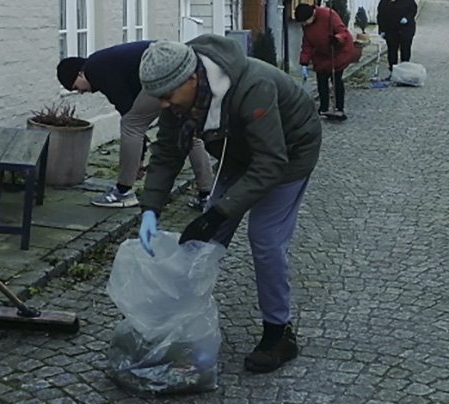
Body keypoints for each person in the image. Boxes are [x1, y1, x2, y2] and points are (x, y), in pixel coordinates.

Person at [135, 37, 322, 372]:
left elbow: (270, 163)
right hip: (238, 152)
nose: (163, 104)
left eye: (166, 96)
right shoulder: (178, 96)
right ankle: (181, 325)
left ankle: (279, 333)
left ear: (191, 79)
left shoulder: (254, 87)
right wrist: (151, 208)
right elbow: (166, 151)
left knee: (265, 239)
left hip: (290, 152)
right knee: (205, 238)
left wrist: (221, 211)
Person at [57, 41, 216, 209]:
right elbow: (133, 102)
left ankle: (123, 191)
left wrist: (138, 159)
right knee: (186, 131)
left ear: (80, 73)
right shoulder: (106, 63)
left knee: (130, 125)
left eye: (76, 87)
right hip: (181, 70)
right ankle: (207, 194)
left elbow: (127, 111)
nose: (81, 92)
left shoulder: (94, 69)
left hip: (163, 73)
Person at [294, 2, 359, 119]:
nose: (304, 24)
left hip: (338, 52)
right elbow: (307, 44)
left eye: (305, 21)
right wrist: (304, 62)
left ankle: (339, 108)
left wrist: (336, 39)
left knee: (336, 79)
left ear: (312, 15)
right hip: (321, 54)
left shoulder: (328, 15)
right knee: (321, 79)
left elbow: (342, 32)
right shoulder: (307, 26)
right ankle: (323, 108)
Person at [377, 0, 418, 71]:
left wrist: (407, 18)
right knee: (392, 49)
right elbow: (380, 16)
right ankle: (393, 69)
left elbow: (413, 9)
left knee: (405, 48)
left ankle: (404, 69)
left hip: (406, 28)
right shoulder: (384, 2)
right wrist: (382, 30)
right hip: (391, 29)